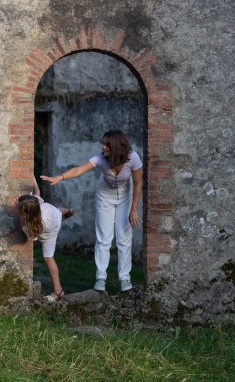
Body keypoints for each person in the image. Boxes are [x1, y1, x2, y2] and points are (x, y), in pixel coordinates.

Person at [41, 129, 143, 293]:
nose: (102, 147)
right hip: (105, 196)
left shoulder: (133, 158)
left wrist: (134, 209)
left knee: (124, 239)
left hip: (126, 197)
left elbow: (138, 183)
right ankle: (100, 278)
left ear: (116, 146)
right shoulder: (100, 159)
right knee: (104, 239)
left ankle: (125, 279)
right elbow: (79, 170)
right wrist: (59, 177)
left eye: (106, 145)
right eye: (102, 144)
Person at [17, 176, 74, 302]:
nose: (17, 208)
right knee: (59, 212)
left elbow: (28, 235)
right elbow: (37, 192)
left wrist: (21, 220)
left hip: (51, 230)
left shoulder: (30, 227)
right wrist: (32, 178)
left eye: (19, 208)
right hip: (53, 213)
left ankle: (58, 291)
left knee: (48, 258)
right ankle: (68, 211)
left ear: (26, 214)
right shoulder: (36, 205)